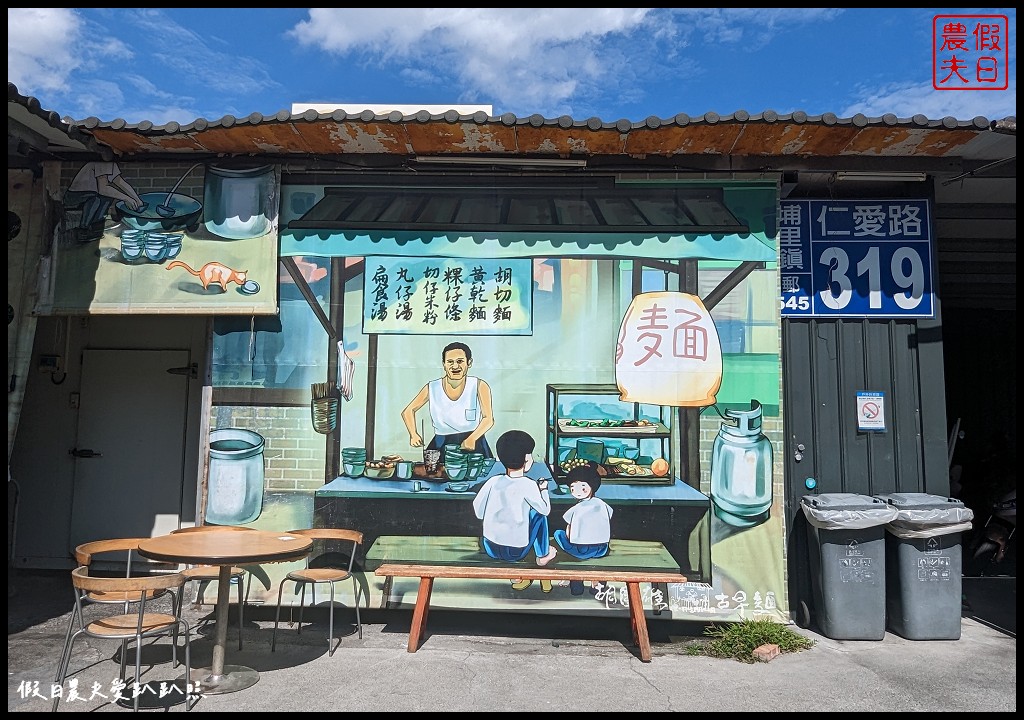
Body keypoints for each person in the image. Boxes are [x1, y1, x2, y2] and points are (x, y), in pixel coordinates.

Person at [472, 429, 557, 592]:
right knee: (538, 515)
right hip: (515, 552)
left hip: (490, 546)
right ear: (526, 459)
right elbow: (545, 510)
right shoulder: (529, 484)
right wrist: (544, 490)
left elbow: (478, 511)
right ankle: (542, 555)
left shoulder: (492, 481)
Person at [401, 341, 494, 457]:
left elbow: (488, 419)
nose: (455, 366)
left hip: (473, 443)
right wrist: (413, 434)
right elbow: (408, 411)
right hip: (441, 443)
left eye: (460, 361)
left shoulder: (480, 385)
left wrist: (473, 438)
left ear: (469, 363)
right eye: (450, 362)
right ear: (444, 364)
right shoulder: (432, 387)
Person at [553, 462, 614, 595]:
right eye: (573, 488)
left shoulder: (576, 508)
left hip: (582, 551)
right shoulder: (602, 504)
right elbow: (609, 514)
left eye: (582, 488)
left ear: (592, 486)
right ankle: (597, 583)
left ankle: (576, 585)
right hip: (601, 549)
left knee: (559, 534)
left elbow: (568, 530)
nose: (577, 492)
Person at [62, 161, 145, 243]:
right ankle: (83, 230)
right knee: (96, 199)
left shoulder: (111, 163)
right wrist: (127, 199)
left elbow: (119, 182)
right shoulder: (101, 163)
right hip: (73, 196)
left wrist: (137, 199)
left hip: (91, 195)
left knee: (106, 198)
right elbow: (103, 189)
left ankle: (96, 228)